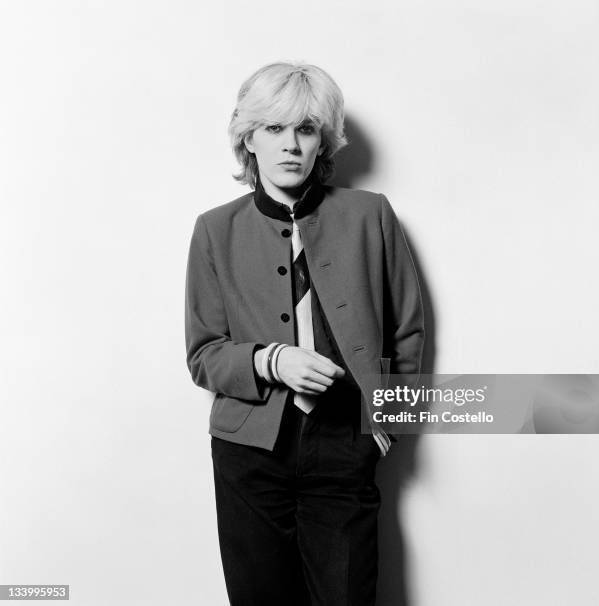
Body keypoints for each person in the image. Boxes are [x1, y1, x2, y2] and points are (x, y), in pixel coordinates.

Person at [185, 61, 425, 606]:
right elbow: (203, 355)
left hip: (345, 440)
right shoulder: (214, 230)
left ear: (324, 141)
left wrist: (386, 426)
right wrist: (270, 361)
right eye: (273, 129)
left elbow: (407, 329)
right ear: (248, 139)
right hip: (249, 451)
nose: (290, 145)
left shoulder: (372, 215)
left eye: (306, 129)